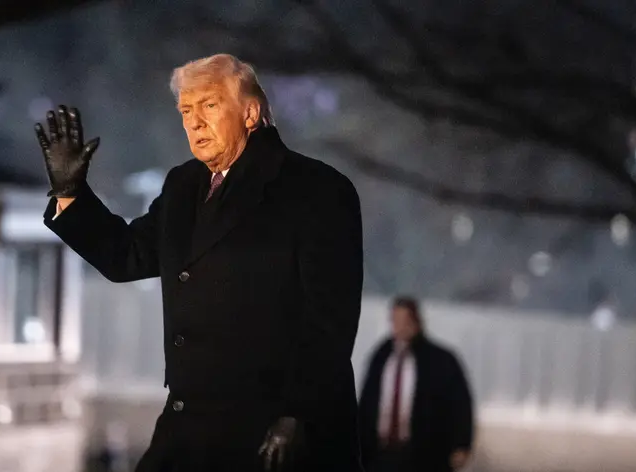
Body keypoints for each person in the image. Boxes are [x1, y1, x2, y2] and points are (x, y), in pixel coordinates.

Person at [33, 53, 364, 472]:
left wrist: (297, 414)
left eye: (209, 105)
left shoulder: (316, 189)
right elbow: (127, 256)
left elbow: (329, 321)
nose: (195, 122)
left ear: (250, 113)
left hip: (271, 431)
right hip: (190, 423)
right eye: (186, 111)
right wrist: (71, 193)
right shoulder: (184, 184)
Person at [358, 297, 474, 472]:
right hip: (380, 453)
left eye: (404, 320)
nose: (399, 326)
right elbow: (367, 401)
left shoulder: (440, 361)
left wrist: (462, 443)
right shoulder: (382, 355)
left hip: (425, 454)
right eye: (395, 320)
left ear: (416, 322)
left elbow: (460, 405)